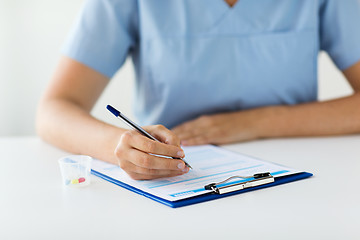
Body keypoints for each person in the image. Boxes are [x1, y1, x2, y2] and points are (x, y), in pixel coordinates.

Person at [36, 0, 360, 180]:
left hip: (303, 176)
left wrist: (256, 122)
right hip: (176, 180)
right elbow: (54, 110)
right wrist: (125, 149)